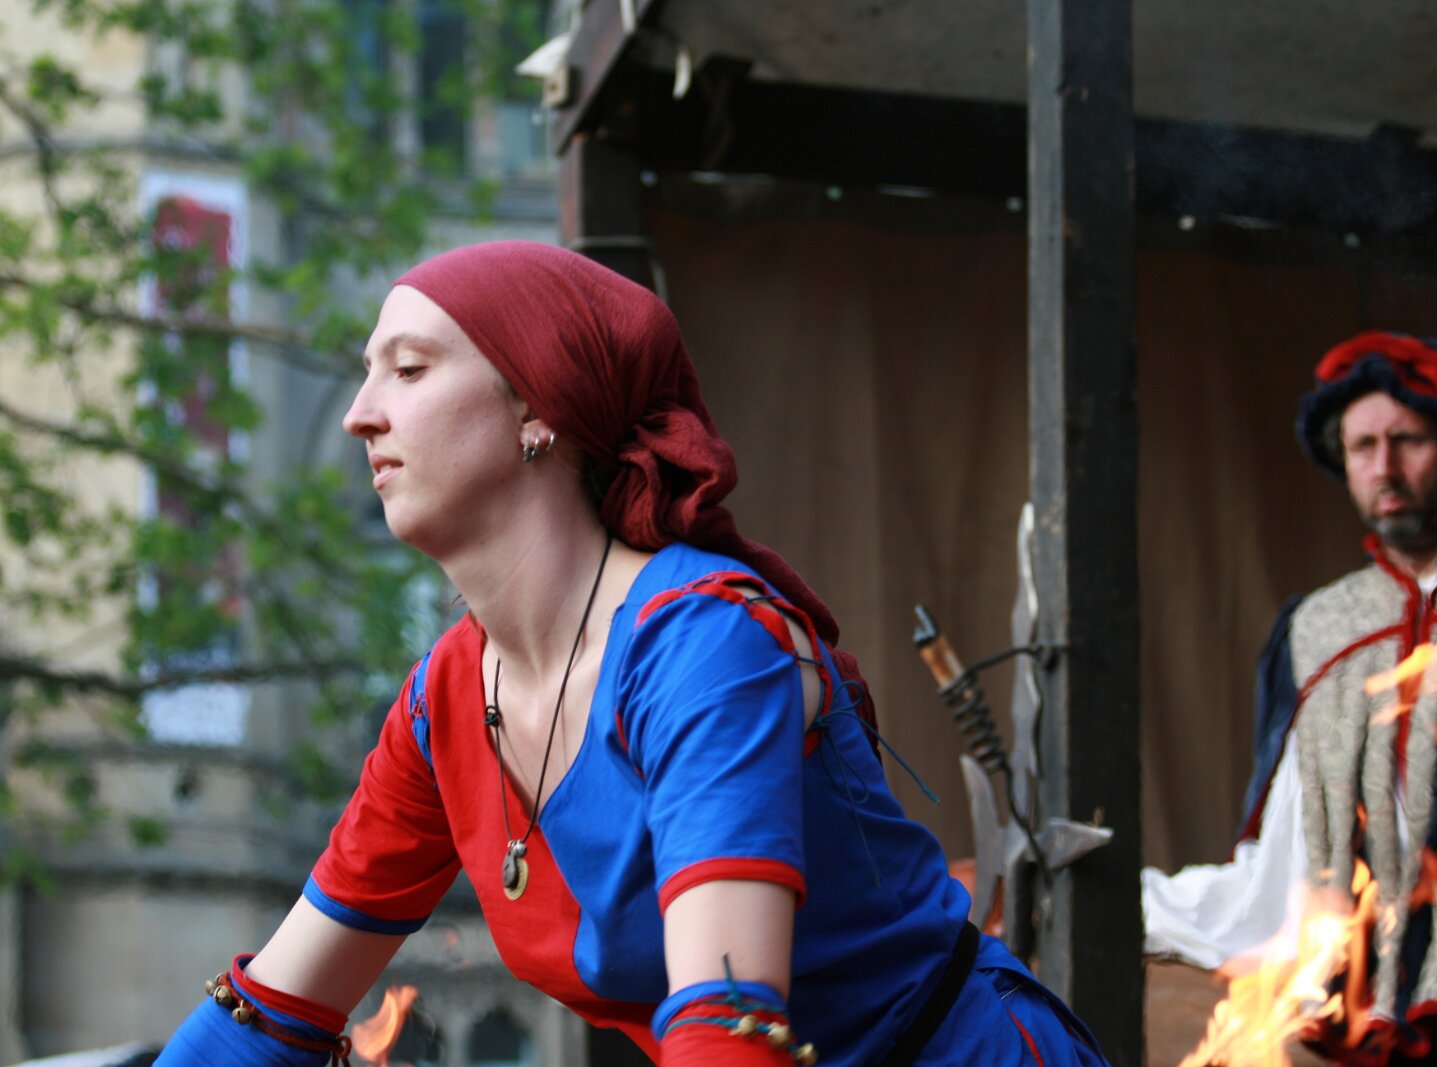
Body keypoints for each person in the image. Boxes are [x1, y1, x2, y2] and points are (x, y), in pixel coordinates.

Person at [152, 241, 1108, 1067]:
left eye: (408, 370)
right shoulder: (446, 698)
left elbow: (730, 1027)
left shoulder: (704, 642)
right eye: (367, 374)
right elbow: (274, 1004)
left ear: (538, 407)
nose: (360, 413)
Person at [1143, 331, 1437, 1064]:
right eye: (1362, 447)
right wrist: (1129, 901)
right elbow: (1283, 864)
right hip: (1375, 1006)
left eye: (1408, 440)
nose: (1383, 467)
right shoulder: (1319, 626)